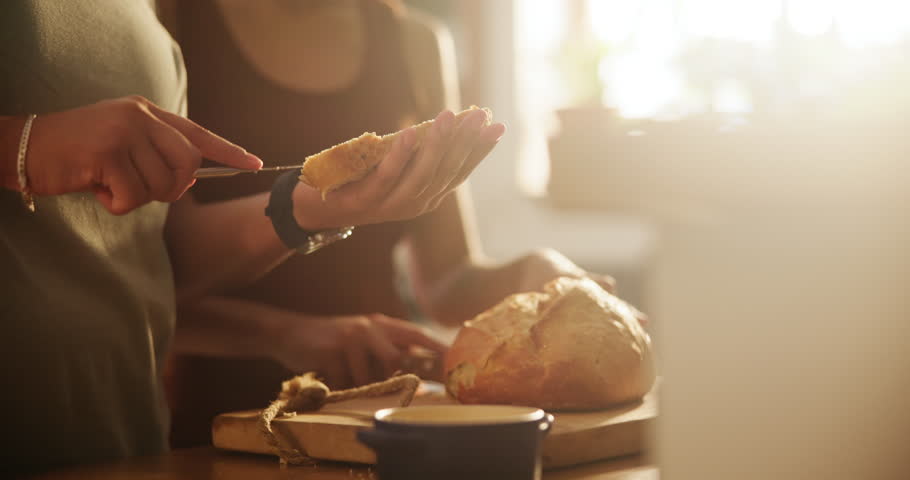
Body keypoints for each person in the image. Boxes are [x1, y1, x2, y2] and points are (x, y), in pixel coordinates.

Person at [0, 0, 503, 473]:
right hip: (206, 428)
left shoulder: (139, 14)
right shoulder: (178, 13)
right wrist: (24, 144)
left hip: (127, 432)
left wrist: (309, 209)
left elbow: (154, 258)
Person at [164, 0, 623, 447]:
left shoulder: (412, 43)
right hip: (218, 425)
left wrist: (533, 272)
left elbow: (448, 281)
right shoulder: (166, 21)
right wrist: (284, 333)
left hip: (385, 419)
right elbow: (152, 274)